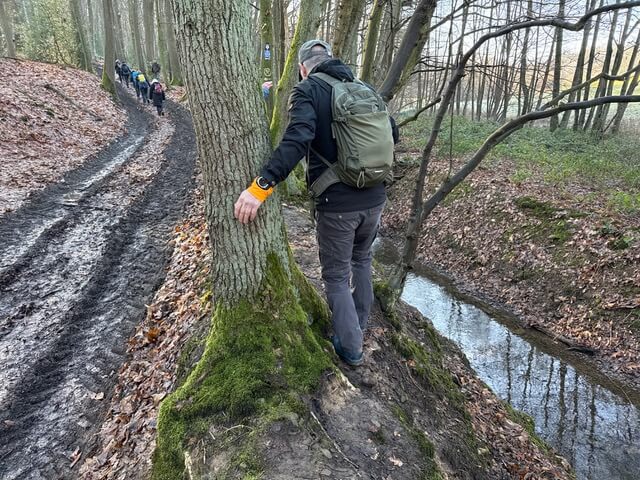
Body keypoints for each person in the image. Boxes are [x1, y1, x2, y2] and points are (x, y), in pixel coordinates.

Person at [234, 39, 399, 367]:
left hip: (337, 205)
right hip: (376, 196)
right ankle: (357, 325)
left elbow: (297, 140)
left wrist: (261, 186)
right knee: (362, 260)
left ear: (302, 68)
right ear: (331, 60)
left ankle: (351, 348)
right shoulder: (364, 88)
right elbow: (392, 135)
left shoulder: (308, 90)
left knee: (336, 276)